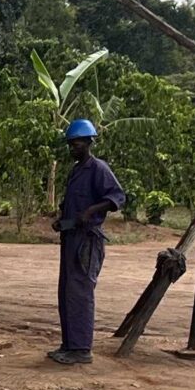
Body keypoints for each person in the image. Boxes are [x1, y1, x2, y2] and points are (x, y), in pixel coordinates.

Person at [50, 117, 127, 365]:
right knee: (67, 292)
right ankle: (69, 344)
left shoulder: (98, 169)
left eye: (77, 144)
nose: (73, 149)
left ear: (89, 142)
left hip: (87, 241)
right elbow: (70, 203)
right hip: (70, 237)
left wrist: (91, 211)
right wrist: (61, 220)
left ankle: (81, 349)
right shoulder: (76, 171)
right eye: (71, 145)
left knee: (81, 292)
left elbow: (117, 197)